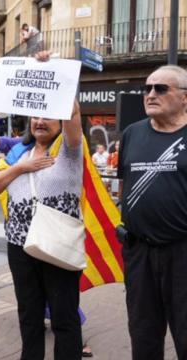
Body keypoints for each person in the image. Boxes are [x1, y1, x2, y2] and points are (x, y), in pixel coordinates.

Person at [0, 50, 84, 360]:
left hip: (56, 244)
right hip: (20, 247)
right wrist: (21, 168)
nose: (41, 120)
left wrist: (54, 69)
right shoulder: (18, 154)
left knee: (64, 317)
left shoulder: (69, 151)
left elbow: (74, 113)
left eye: (48, 115)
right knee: (28, 315)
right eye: (36, 116)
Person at [118, 65, 187, 360]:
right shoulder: (132, 133)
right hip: (139, 253)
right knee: (143, 335)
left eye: (161, 89)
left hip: (183, 253)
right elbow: (123, 186)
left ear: (184, 98)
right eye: (147, 88)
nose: (150, 94)